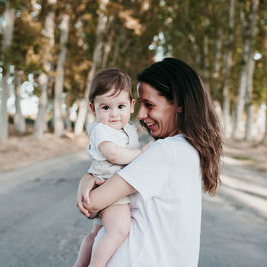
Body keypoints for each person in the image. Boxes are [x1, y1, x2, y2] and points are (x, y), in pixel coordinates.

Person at [76, 57, 223, 267]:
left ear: (178, 104)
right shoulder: (186, 149)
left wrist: (85, 183)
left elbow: (91, 205)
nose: (142, 114)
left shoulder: (166, 151)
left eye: (149, 105)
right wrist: (89, 176)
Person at [74, 69, 151, 267]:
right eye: (106, 108)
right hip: (112, 191)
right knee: (119, 230)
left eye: (120, 106)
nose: (114, 113)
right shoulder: (101, 130)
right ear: (94, 108)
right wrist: (142, 154)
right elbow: (114, 155)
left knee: (97, 234)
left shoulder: (127, 129)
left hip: (109, 187)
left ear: (132, 106)